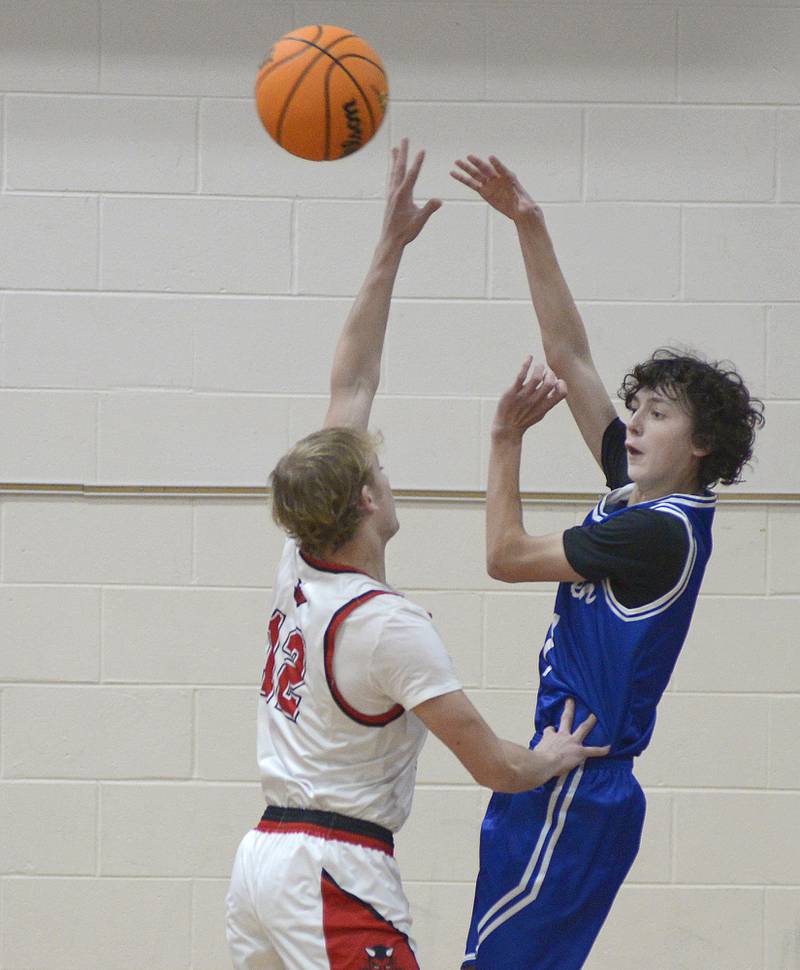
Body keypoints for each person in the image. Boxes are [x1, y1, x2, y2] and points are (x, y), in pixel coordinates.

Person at [225, 140, 608, 970]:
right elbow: (496, 766)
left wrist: (389, 248)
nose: (388, 475)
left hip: (262, 862)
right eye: (381, 471)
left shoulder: (300, 565)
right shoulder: (387, 627)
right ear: (366, 500)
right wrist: (556, 755)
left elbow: (352, 381)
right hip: (333, 870)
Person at [450, 153, 765, 970]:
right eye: (636, 408)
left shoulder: (658, 531)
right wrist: (528, 221)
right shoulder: (641, 500)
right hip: (566, 779)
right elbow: (570, 356)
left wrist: (503, 440)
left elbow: (505, 556)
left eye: (657, 414)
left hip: (578, 786)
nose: (633, 421)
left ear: (698, 446)